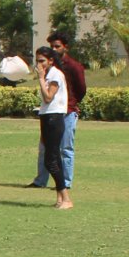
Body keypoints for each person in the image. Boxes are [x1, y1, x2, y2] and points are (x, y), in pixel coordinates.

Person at [31, 31, 86, 190]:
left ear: (65, 47)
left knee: (65, 148)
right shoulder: (49, 68)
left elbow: (81, 89)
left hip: (66, 111)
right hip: (51, 113)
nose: (54, 49)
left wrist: (71, 103)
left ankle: (65, 183)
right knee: (45, 149)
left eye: (57, 46)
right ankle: (41, 180)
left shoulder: (73, 66)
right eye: (52, 46)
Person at [34, 49, 72, 210]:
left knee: (50, 159)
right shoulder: (49, 75)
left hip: (54, 118)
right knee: (54, 158)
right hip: (46, 116)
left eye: (42, 61)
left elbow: (48, 97)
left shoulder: (55, 75)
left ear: (50, 61)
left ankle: (66, 198)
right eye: (37, 61)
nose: (39, 64)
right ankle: (60, 198)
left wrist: (41, 78)